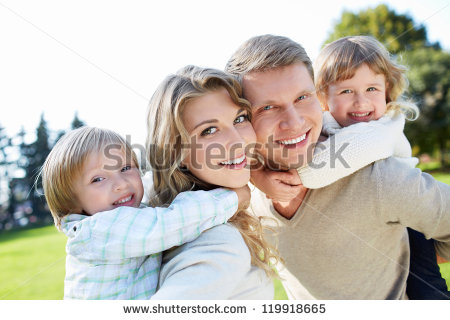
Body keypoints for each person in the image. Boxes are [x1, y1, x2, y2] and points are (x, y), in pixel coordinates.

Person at [225, 34, 450, 299]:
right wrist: (256, 173)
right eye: (268, 107)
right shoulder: (242, 196)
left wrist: (399, 256)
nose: (295, 123)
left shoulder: (381, 178)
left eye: (301, 97)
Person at [41, 126, 250, 299]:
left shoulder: (118, 215)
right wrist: (232, 198)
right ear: (70, 202)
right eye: (98, 179)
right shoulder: (99, 231)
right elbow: (170, 223)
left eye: (125, 168)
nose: (121, 184)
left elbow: (151, 185)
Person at [147, 65, 278, 299]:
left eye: (240, 118)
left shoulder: (165, 217)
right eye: (209, 130)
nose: (238, 140)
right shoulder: (219, 244)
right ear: (176, 153)